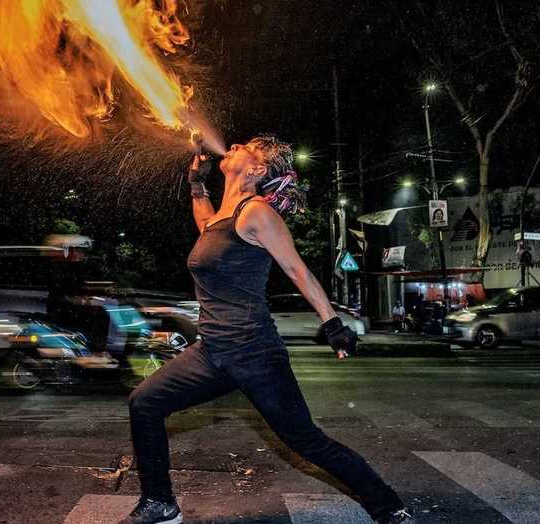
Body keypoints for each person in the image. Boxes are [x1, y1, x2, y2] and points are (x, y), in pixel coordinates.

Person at [124, 136, 412, 524]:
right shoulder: (222, 218)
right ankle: (160, 503)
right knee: (144, 403)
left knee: (306, 441)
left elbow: (297, 270)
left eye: (249, 145)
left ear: (258, 169)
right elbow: (206, 224)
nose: (236, 143)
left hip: (254, 353)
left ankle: (389, 506)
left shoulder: (256, 212)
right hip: (212, 352)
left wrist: (333, 325)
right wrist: (196, 185)